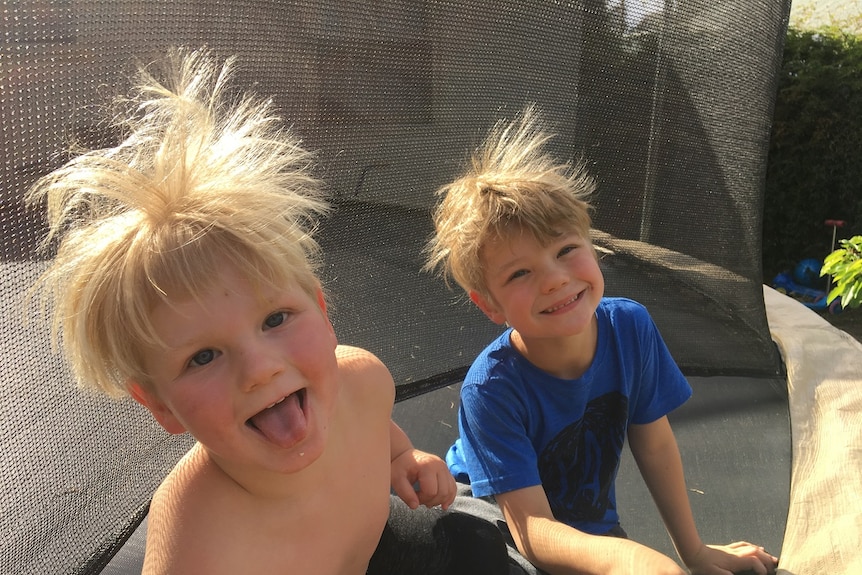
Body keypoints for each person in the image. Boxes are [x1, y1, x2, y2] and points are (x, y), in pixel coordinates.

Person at [26, 48, 511, 575]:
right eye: (203, 356)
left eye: (275, 319)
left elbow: (380, 432)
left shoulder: (364, 383)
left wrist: (403, 459)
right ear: (159, 404)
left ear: (324, 315)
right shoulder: (198, 537)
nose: (261, 369)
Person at [424, 106, 780, 575]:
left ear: (593, 248)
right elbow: (530, 528)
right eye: (520, 273)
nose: (554, 280)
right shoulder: (490, 390)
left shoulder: (629, 328)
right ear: (489, 305)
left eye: (566, 250)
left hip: (582, 522)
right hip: (493, 528)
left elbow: (653, 442)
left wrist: (692, 551)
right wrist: (626, 560)